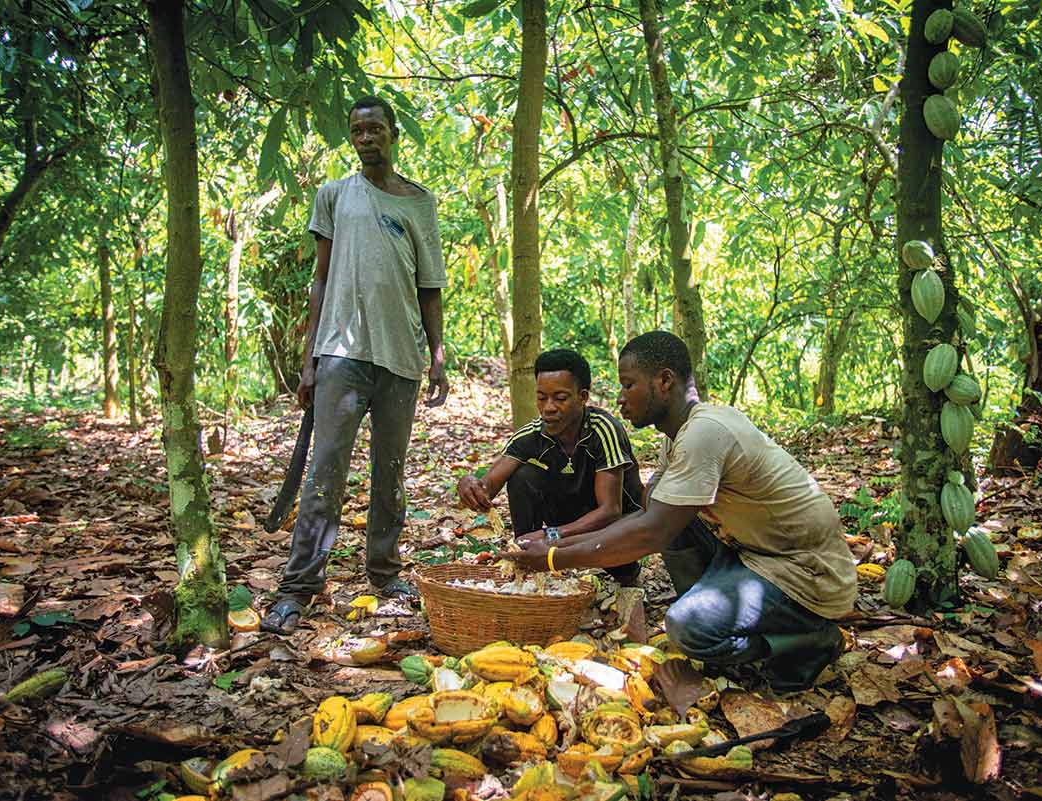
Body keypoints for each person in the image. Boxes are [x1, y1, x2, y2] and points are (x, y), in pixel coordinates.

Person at [505, 331, 856, 692]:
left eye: (629, 385)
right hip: (755, 554)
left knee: (687, 628)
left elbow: (650, 533)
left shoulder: (704, 433)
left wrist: (552, 560)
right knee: (673, 519)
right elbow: (646, 518)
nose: (621, 399)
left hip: (805, 573)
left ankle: (808, 640)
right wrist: (552, 541)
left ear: (664, 381)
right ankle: (718, 615)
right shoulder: (678, 438)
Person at [262, 96, 449, 635]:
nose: (366, 138)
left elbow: (429, 287)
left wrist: (437, 357)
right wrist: (309, 360)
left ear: (393, 134)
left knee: (390, 471)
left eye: (375, 129)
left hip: (401, 358)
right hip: (341, 352)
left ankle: (385, 572)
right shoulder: (334, 196)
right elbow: (319, 279)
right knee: (325, 472)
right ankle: (299, 587)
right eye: (357, 130)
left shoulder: (418, 203)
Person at [457, 349, 644, 586]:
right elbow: (488, 486)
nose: (548, 407)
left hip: (616, 524)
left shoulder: (603, 430)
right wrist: (470, 485)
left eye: (560, 398)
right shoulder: (531, 435)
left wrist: (550, 535)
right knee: (522, 476)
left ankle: (627, 574)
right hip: (570, 516)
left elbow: (610, 511)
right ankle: (526, 563)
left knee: (623, 575)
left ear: (582, 397)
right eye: (542, 397)